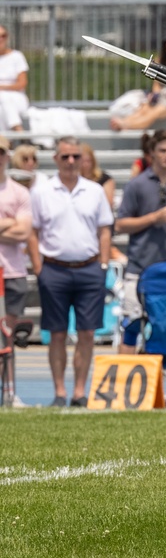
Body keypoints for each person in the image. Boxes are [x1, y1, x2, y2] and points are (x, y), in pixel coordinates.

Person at [28, 136, 113, 406]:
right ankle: (59, 392)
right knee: (57, 333)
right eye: (65, 157)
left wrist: (103, 264)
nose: (71, 161)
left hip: (89, 268)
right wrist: (39, 268)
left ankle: (78, 391)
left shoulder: (94, 190)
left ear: (83, 159)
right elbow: (33, 232)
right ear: (56, 159)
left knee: (88, 333)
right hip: (54, 269)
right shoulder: (42, 191)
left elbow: (105, 230)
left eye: (75, 156)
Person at [115, 129, 166, 354]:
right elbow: (121, 225)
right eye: (162, 151)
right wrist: (154, 218)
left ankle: (156, 387)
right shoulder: (136, 185)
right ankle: (126, 384)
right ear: (152, 153)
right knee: (131, 326)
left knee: (165, 330)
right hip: (139, 268)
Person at [109, 31, 166, 131]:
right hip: (162, 94)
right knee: (144, 109)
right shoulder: (159, 59)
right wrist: (155, 96)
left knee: (156, 112)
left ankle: (126, 125)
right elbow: (156, 84)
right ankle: (124, 123)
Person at [0, 136, 32, 318]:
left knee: (7, 334)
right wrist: (8, 222)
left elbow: (23, 232)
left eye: (0, 152)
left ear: (7, 156)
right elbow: (17, 228)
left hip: (12, 270)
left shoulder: (19, 192)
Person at [0, 24, 29, 132]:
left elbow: (22, 83)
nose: (1, 39)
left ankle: (16, 131)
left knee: (3, 97)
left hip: (16, 98)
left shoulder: (17, 56)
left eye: (4, 35)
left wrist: (1, 87)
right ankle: (17, 133)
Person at [79, 142, 116, 211]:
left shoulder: (105, 179)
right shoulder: (74, 180)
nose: (85, 164)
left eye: (88, 161)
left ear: (93, 161)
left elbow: (108, 204)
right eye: (82, 161)